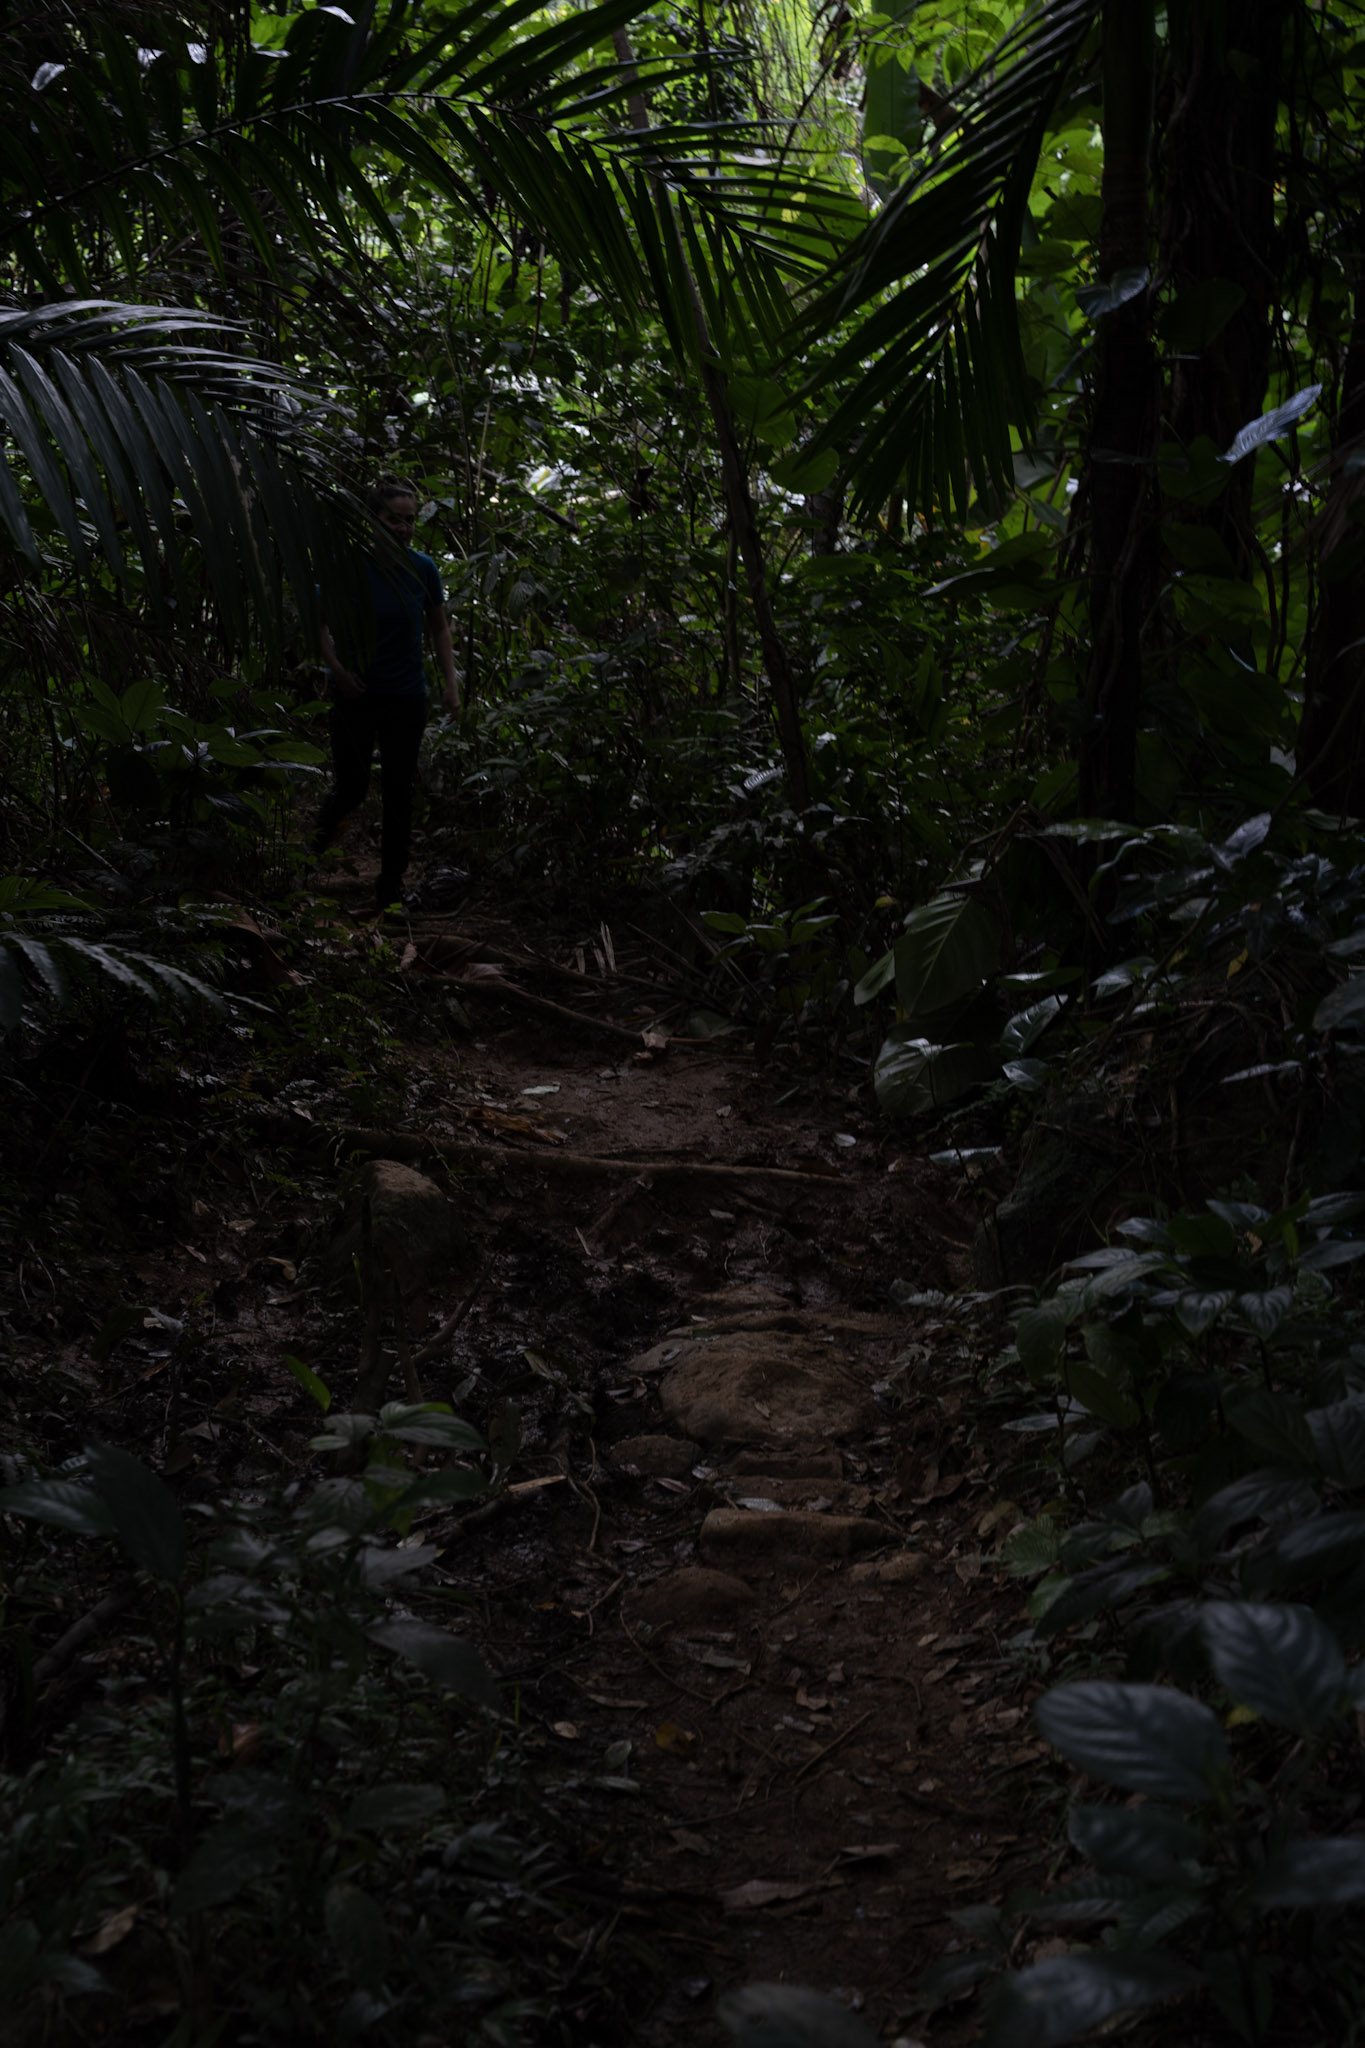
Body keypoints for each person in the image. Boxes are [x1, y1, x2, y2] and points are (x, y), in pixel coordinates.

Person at [314, 476, 460, 911]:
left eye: (410, 520)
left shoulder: (422, 568)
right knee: (351, 786)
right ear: (373, 519)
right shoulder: (347, 565)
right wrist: (338, 670)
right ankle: (301, 864)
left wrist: (450, 684)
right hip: (355, 693)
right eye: (394, 519)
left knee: (399, 790)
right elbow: (317, 622)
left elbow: (439, 629)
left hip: (405, 695)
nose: (403, 528)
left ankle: (390, 888)